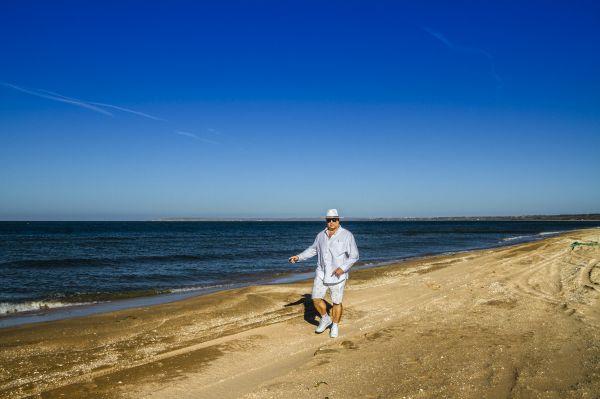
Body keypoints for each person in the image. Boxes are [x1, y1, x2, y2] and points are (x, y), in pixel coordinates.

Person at [289, 209, 359, 338]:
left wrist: (342, 268)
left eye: (334, 220)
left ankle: (335, 325)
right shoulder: (321, 235)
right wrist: (298, 257)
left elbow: (354, 256)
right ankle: (325, 318)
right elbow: (313, 250)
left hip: (338, 276)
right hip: (321, 273)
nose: (331, 222)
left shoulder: (347, 235)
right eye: (329, 220)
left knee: (336, 302)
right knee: (315, 299)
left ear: (338, 220)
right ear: (326, 221)